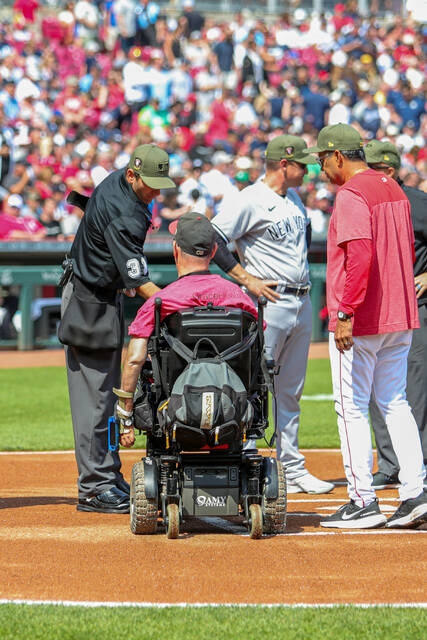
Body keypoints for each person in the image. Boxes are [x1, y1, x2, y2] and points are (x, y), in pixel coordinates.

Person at [305, 124, 427, 529]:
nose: (320, 168)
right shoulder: (393, 187)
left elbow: (359, 255)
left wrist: (345, 313)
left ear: (338, 156)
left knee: (352, 408)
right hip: (401, 312)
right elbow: (406, 250)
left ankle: (363, 501)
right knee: (395, 402)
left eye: (322, 159)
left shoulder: (352, 193)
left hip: (364, 318)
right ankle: (414, 493)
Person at [211, 134, 335, 495]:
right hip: (270, 302)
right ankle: (248, 462)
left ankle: (292, 467)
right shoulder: (249, 200)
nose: (309, 170)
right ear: (284, 164)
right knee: (254, 386)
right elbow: (213, 236)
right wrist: (245, 278)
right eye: (302, 165)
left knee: (290, 390)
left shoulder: (293, 197)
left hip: (300, 300)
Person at [59, 144, 175, 514]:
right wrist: (181, 302)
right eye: (150, 184)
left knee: (106, 399)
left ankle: (107, 474)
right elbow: (140, 284)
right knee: (96, 401)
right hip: (88, 302)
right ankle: (94, 486)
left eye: (160, 184)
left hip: (97, 295)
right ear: (131, 174)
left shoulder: (118, 185)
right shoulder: (125, 211)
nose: (156, 192)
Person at [114, 211, 259, 447]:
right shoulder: (239, 298)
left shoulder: (161, 301)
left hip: (176, 409)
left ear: (175, 250)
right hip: (232, 406)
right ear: (213, 252)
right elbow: (259, 346)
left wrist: (126, 415)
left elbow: (134, 359)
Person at [364, 140, 427, 491]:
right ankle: (390, 464)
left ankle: (416, 465)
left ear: (387, 170)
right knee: (375, 388)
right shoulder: (364, 201)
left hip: (413, 308)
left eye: (371, 167)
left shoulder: (418, 203)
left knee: (411, 389)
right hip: (376, 305)